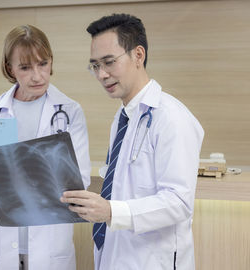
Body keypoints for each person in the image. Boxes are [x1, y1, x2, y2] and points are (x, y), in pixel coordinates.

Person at [60, 13, 204, 269]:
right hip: (118, 255)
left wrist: (111, 211)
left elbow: (179, 202)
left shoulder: (171, 117)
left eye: (109, 62)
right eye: (95, 65)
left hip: (152, 260)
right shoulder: (124, 117)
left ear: (138, 55)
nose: (102, 75)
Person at [0, 25, 91, 270]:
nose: (37, 76)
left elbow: (80, 178)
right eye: (25, 67)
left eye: (43, 64)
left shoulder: (69, 112)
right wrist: (0, 194)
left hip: (50, 243)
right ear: (10, 68)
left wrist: (11, 182)